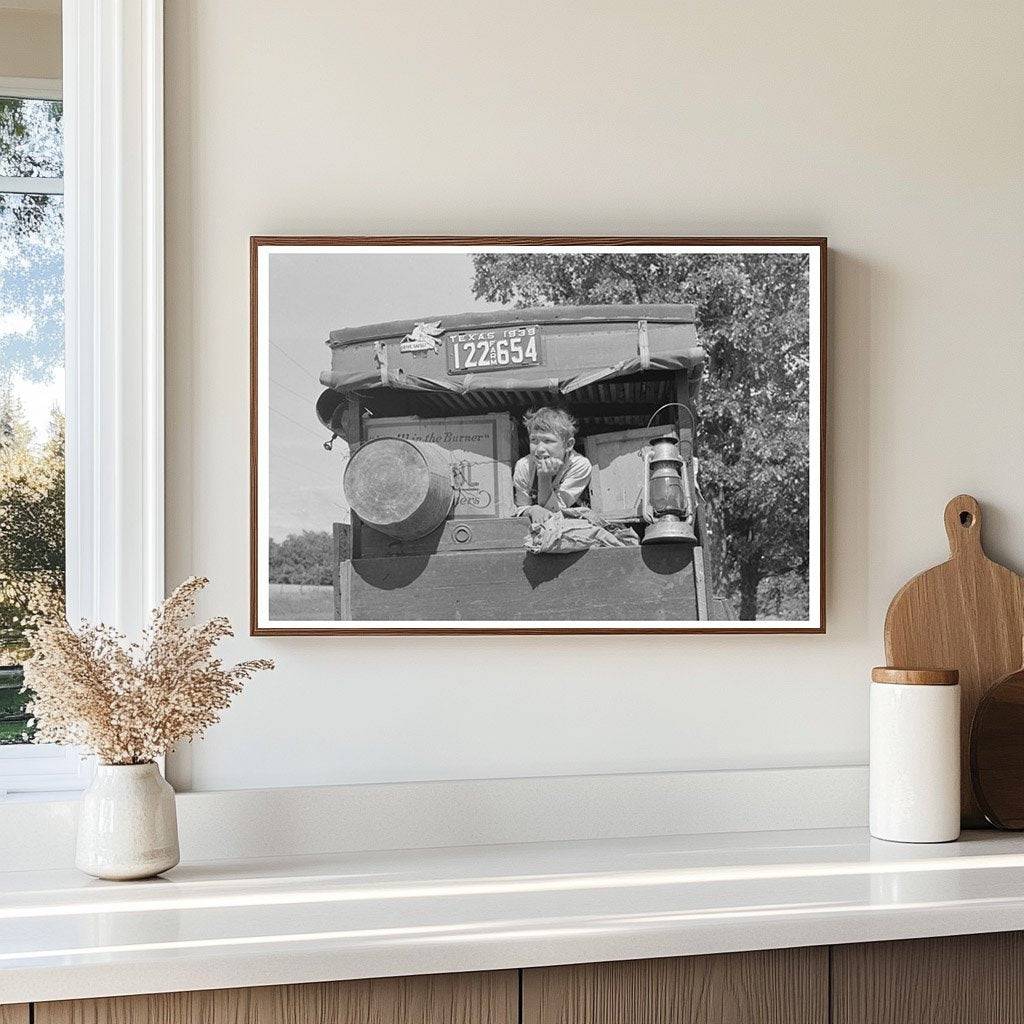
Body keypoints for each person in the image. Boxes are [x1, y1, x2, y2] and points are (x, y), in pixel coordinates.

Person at [512, 407, 593, 526]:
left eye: (548, 441)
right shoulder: (524, 466)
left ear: (568, 445)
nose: (539, 449)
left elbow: (554, 510)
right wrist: (531, 510)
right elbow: (521, 507)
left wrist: (544, 477)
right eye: (534, 440)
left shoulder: (579, 465)